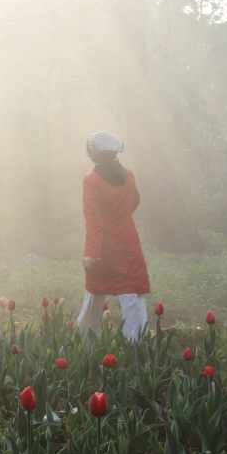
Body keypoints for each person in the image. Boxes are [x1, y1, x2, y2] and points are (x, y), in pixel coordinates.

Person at [75, 131, 150, 341]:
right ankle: (136, 346)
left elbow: (94, 220)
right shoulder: (128, 174)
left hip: (105, 247)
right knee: (131, 295)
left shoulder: (91, 180)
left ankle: (84, 341)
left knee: (95, 293)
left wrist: (91, 253)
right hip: (128, 241)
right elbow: (134, 201)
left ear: (94, 153)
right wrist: (120, 217)